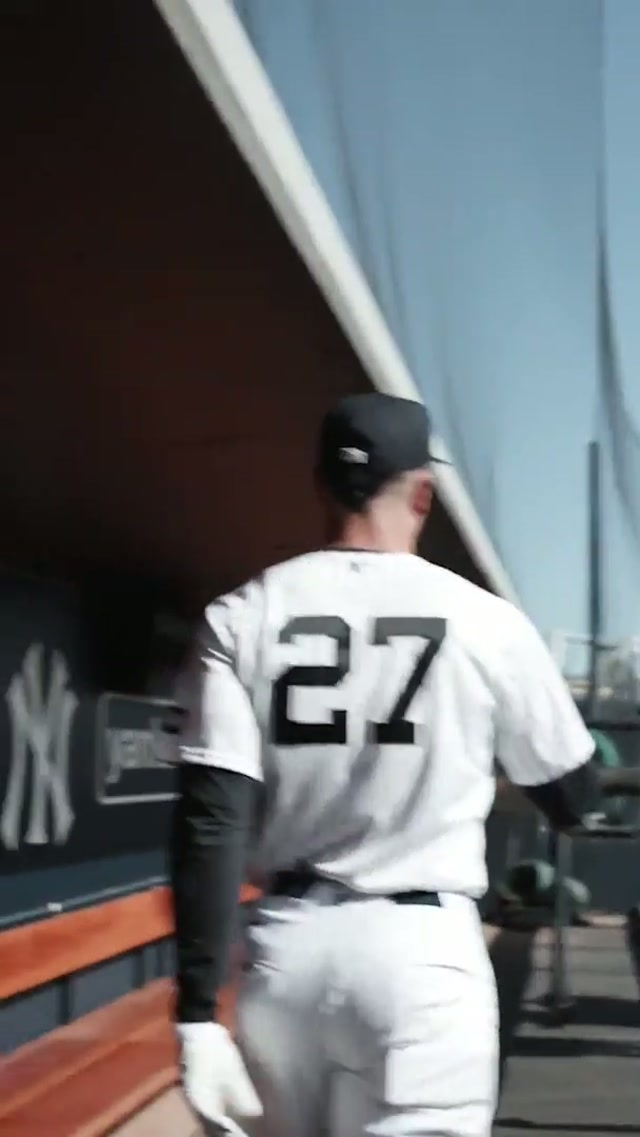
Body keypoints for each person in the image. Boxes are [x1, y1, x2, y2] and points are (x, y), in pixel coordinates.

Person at [171, 392, 601, 1137]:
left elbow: (212, 821)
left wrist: (195, 1012)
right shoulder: (484, 618)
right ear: (424, 491)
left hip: (287, 952)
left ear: (320, 484)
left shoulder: (241, 613)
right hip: (423, 956)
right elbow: (573, 793)